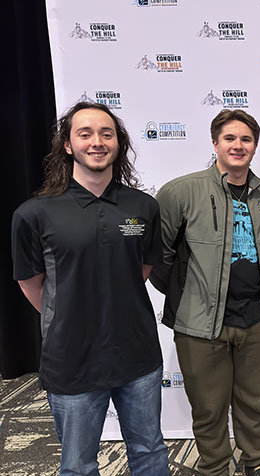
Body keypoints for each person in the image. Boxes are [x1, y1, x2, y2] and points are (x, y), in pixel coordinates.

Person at [11, 102, 168, 475]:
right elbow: (32, 284)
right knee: (79, 465)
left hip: (137, 355)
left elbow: (142, 269)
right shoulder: (34, 214)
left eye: (106, 133)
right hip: (71, 361)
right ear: (68, 145)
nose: (96, 142)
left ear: (118, 143)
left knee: (149, 454)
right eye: (85, 134)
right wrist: (69, 314)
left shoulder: (143, 207)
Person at [150, 109, 260, 476]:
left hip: (257, 319)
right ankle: (215, 467)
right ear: (215, 143)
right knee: (208, 407)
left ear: (255, 146)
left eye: (246, 139)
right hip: (201, 324)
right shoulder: (180, 192)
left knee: (254, 402)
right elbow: (159, 257)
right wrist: (191, 296)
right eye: (230, 138)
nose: (238, 146)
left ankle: (255, 462)